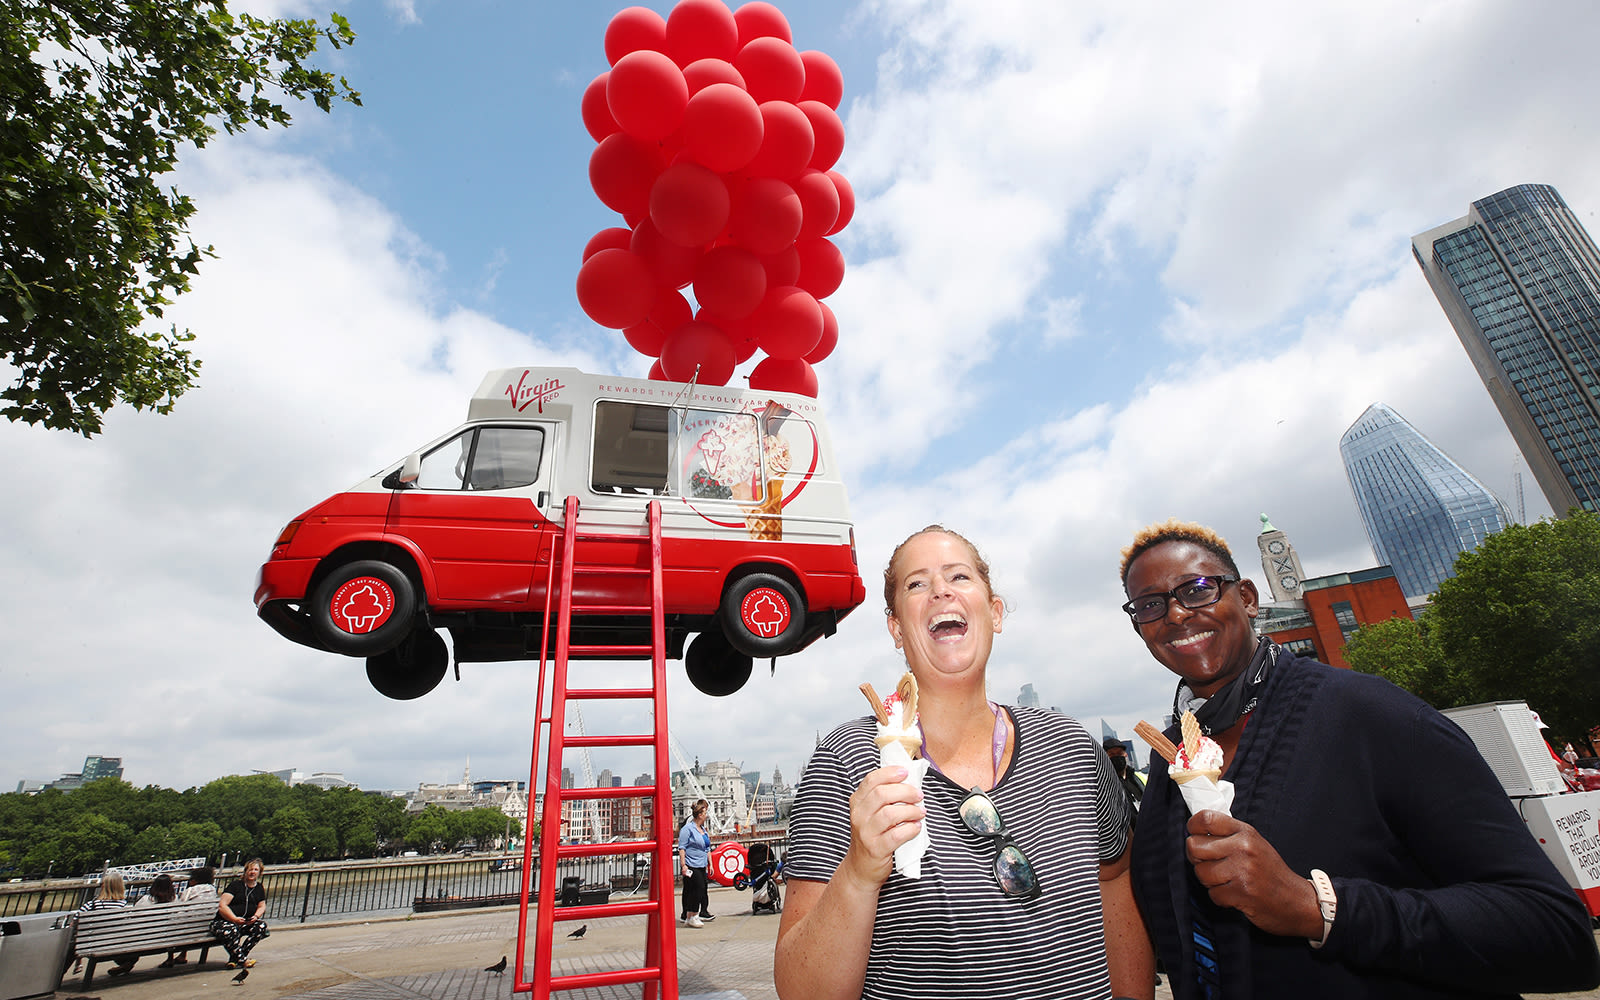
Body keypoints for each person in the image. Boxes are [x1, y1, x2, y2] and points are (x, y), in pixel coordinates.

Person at [1119, 518, 1600, 999]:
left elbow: (1557, 936)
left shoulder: (1371, 714)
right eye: (1150, 605)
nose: (1176, 615)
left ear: (1246, 597)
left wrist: (1319, 908)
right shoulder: (1170, 760)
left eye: (1197, 589)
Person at [777, 525, 1152, 1000]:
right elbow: (800, 990)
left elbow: (1116, 879)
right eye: (917, 583)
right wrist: (859, 871)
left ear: (994, 612)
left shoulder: (1072, 747)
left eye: (959, 576)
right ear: (896, 627)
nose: (940, 590)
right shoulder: (846, 761)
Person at [212, 858, 270, 969]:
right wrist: (234, 919)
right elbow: (222, 905)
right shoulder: (235, 886)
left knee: (261, 927)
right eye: (250, 869)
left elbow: (262, 906)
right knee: (231, 929)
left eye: (255, 870)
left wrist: (256, 916)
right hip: (224, 922)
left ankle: (235, 958)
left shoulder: (259, 888)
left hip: (245, 922)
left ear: (259, 873)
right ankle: (243, 960)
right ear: (245, 871)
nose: (252, 872)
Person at [163, 866, 217, 968]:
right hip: (205, 926)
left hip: (187, 929)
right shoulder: (212, 890)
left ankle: (170, 958)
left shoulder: (190, 890)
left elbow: (179, 908)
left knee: (175, 923)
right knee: (189, 921)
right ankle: (182, 955)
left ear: (195, 880)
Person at [678, 799, 713, 927]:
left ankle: (690, 916)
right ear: (699, 815)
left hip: (702, 864)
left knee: (700, 889)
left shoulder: (702, 829)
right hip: (691, 864)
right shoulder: (688, 829)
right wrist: (683, 865)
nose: (706, 815)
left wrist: (711, 863)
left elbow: (707, 847)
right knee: (696, 890)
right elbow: (682, 847)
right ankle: (693, 915)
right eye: (704, 813)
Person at [1103, 738, 1144, 815]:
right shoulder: (1105, 784)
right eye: (1112, 754)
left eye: (1119, 753)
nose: (1117, 757)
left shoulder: (1139, 777)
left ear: (1125, 754)